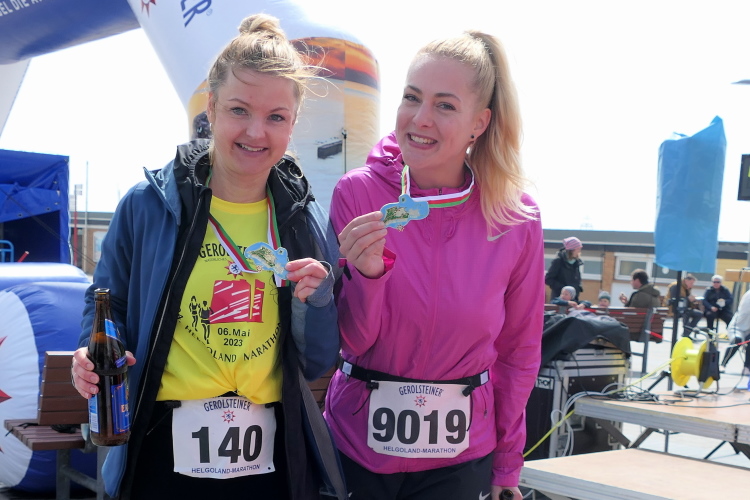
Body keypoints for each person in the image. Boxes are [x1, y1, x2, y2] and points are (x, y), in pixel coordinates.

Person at [70, 14, 345, 500]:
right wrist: (89, 357)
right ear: (212, 108)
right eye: (240, 110)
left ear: (293, 123)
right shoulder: (149, 204)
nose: (256, 132)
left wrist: (317, 301)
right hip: (161, 451)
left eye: (276, 117)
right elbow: (106, 302)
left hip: (270, 460)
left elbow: (317, 358)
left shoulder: (303, 217)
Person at [324, 29, 544, 500]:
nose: (420, 118)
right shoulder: (358, 192)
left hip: (461, 460)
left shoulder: (515, 217)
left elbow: (519, 351)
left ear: (479, 123)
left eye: (445, 105)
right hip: (356, 448)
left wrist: (508, 463)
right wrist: (368, 276)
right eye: (412, 97)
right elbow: (353, 340)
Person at [720, 288, 750, 372]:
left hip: (748, 329)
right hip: (737, 327)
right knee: (737, 340)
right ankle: (723, 364)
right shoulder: (748, 295)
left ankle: (747, 367)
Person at [545, 236, 583, 301]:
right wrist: (564, 289)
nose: (579, 251)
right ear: (572, 250)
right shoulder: (558, 261)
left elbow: (577, 280)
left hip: (573, 299)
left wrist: (577, 288)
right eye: (578, 249)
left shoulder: (576, 263)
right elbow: (548, 279)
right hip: (559, 299)